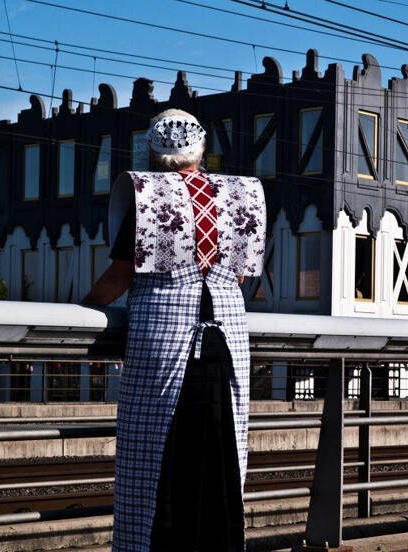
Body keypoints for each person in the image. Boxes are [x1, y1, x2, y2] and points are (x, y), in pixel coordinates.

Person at [83, 108, 266, 552]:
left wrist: (85, 311)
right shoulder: (240, 194)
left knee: (156, 459)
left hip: (163, 342)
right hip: (226, 341)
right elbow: (239, 276)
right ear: (201, 150)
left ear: (152, 150)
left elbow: (120, 275)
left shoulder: (150, 196)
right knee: (219, 452)